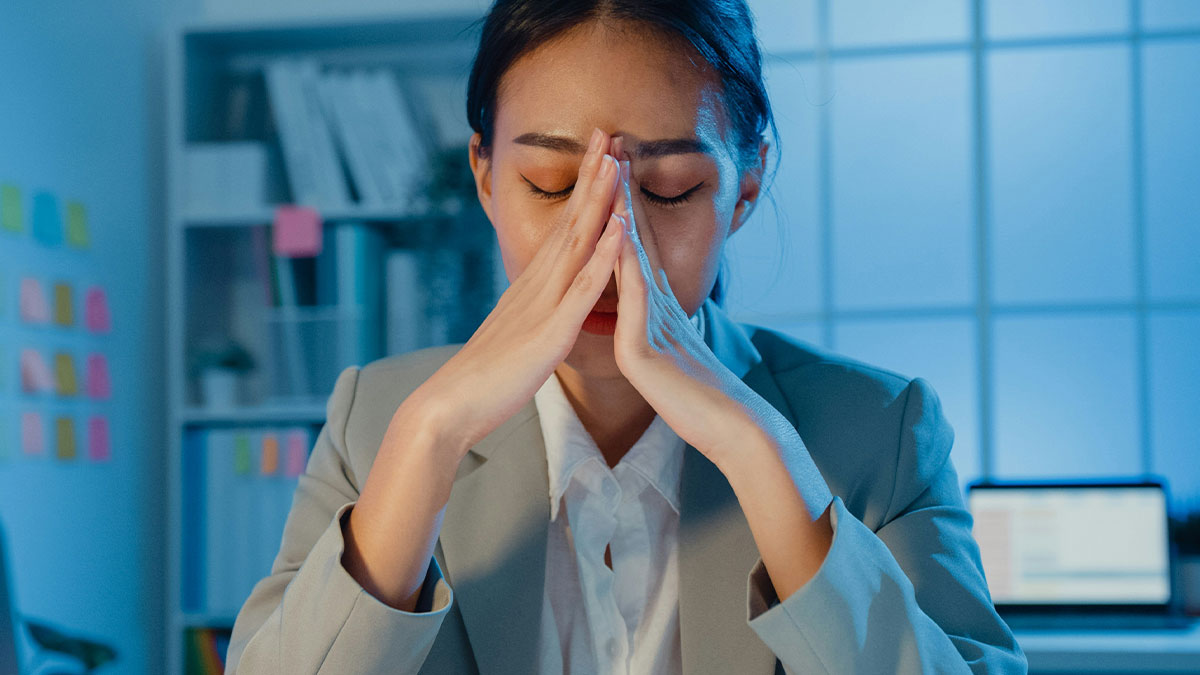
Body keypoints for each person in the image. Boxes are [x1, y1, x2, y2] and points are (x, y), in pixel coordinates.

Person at [226, 0, 1027, 672]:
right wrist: (434, 434)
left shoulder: (882, 431)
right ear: (484, 176)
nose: (610, 241)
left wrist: (760, 452)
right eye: (551, 185)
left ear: (744, 189)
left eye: (669, 190)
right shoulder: (378, 421)